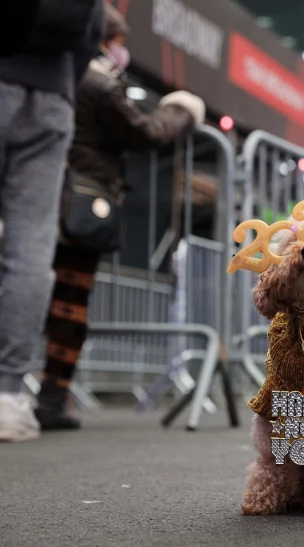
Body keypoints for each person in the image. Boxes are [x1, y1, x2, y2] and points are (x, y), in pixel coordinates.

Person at [35, 4, 206, 431]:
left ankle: (17, 392)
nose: (122, 51)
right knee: (69, 304)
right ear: (103, 38)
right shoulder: (98, 81)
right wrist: (182, 109)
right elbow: (144, 132)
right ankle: (51, 398)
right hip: (79, 207)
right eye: (119, 41)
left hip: (34, 198)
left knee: (25, 288)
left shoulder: (50, 68)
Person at [0, 0, 105, 442]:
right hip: (51, 96)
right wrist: (61, 84)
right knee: (31, 248)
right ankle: (6, 395)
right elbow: (92, 29)